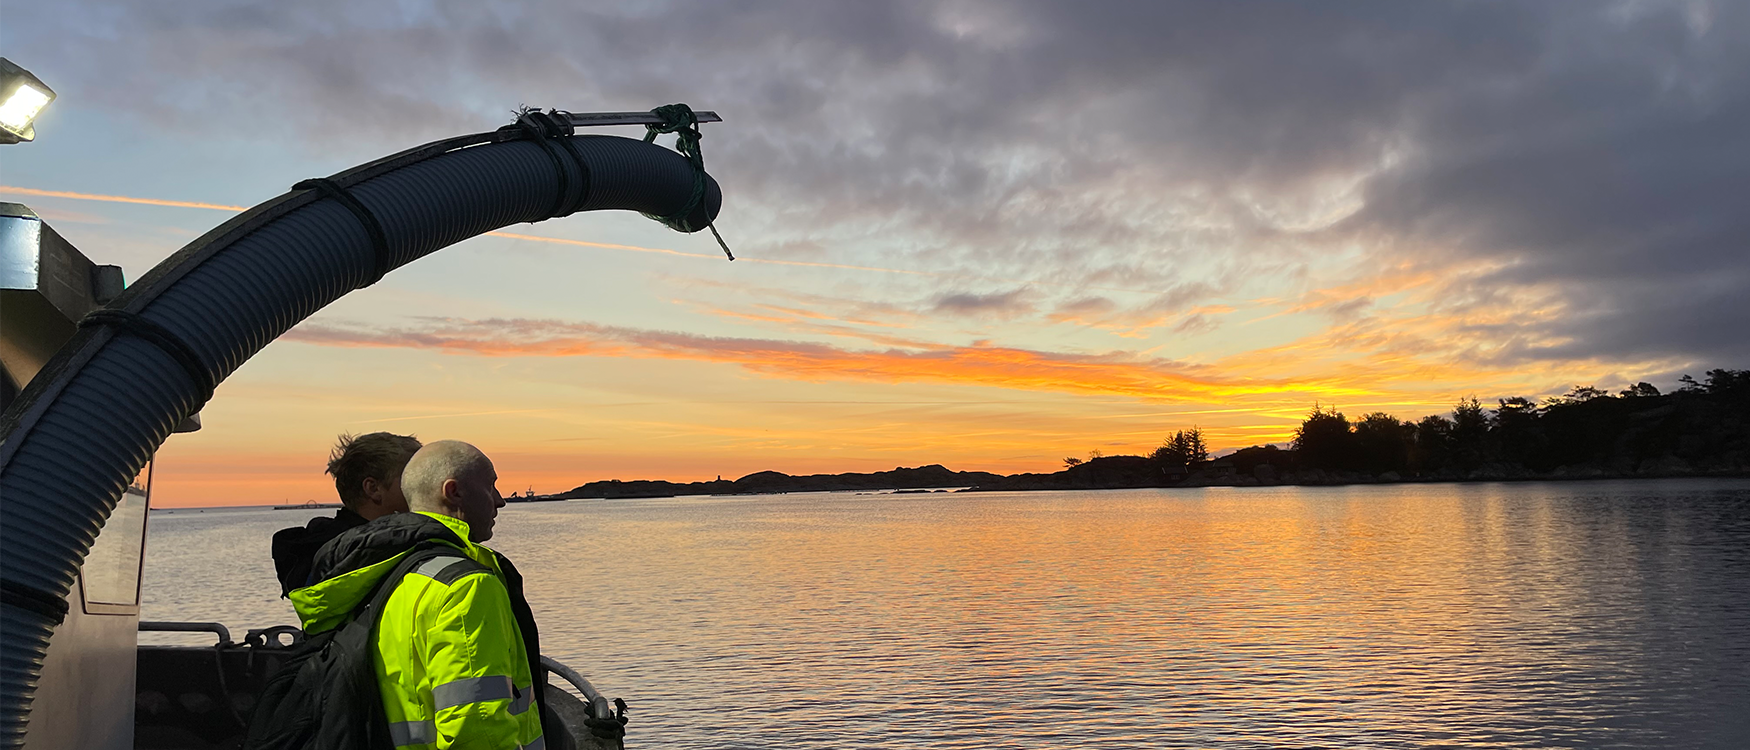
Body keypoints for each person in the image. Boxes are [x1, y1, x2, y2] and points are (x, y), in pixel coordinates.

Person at [291, 440, 555, 750]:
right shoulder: (465, 585)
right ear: (453, 491)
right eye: (491, 486)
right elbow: (476, 727)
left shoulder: (384, 572)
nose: (500, 501)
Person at [272, 432, 423, 596]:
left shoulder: (325, 555)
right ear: (373, 489)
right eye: (412, 478)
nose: (425, 484)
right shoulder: (369, 557)